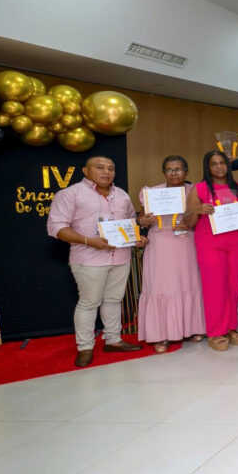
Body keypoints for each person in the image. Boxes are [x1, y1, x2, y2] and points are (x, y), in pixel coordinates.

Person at [46, 156, 144, 367]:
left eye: (111, 168)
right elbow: (56, 227)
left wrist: (137, 238)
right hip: (88, 258)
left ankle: (113, 340)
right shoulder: (71, 194)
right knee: (89, 302)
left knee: (114, 300)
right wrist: (88, 241)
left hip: (120, 256)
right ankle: (85, 347)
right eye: (100, 168)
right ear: (85, 170)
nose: (106, 172)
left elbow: (129, 224)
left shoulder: (122, 195)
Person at [136, 156, 205, 353]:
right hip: (160, 242)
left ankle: (191, 328)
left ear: (187, 171)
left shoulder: (195, 192)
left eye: (178, 169)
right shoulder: (151, 192)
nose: (174, 173)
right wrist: (143, 221)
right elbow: (141, 217)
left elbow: (203, 219)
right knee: (161, 285)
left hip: (187, 241)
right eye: (169, 169)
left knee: (189, 283)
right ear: (164, 172)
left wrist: (191, 221)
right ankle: (161, 333)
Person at [185, 151, 238, 352]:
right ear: (208, 167)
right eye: (214, 164)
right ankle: (216, 331)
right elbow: (188, 222)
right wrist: (197, 210)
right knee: (215, 287)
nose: (219, 167)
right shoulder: (199, 189)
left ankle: (231, 327)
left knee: (234, 285)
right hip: (210, 243)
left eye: (222, 163)